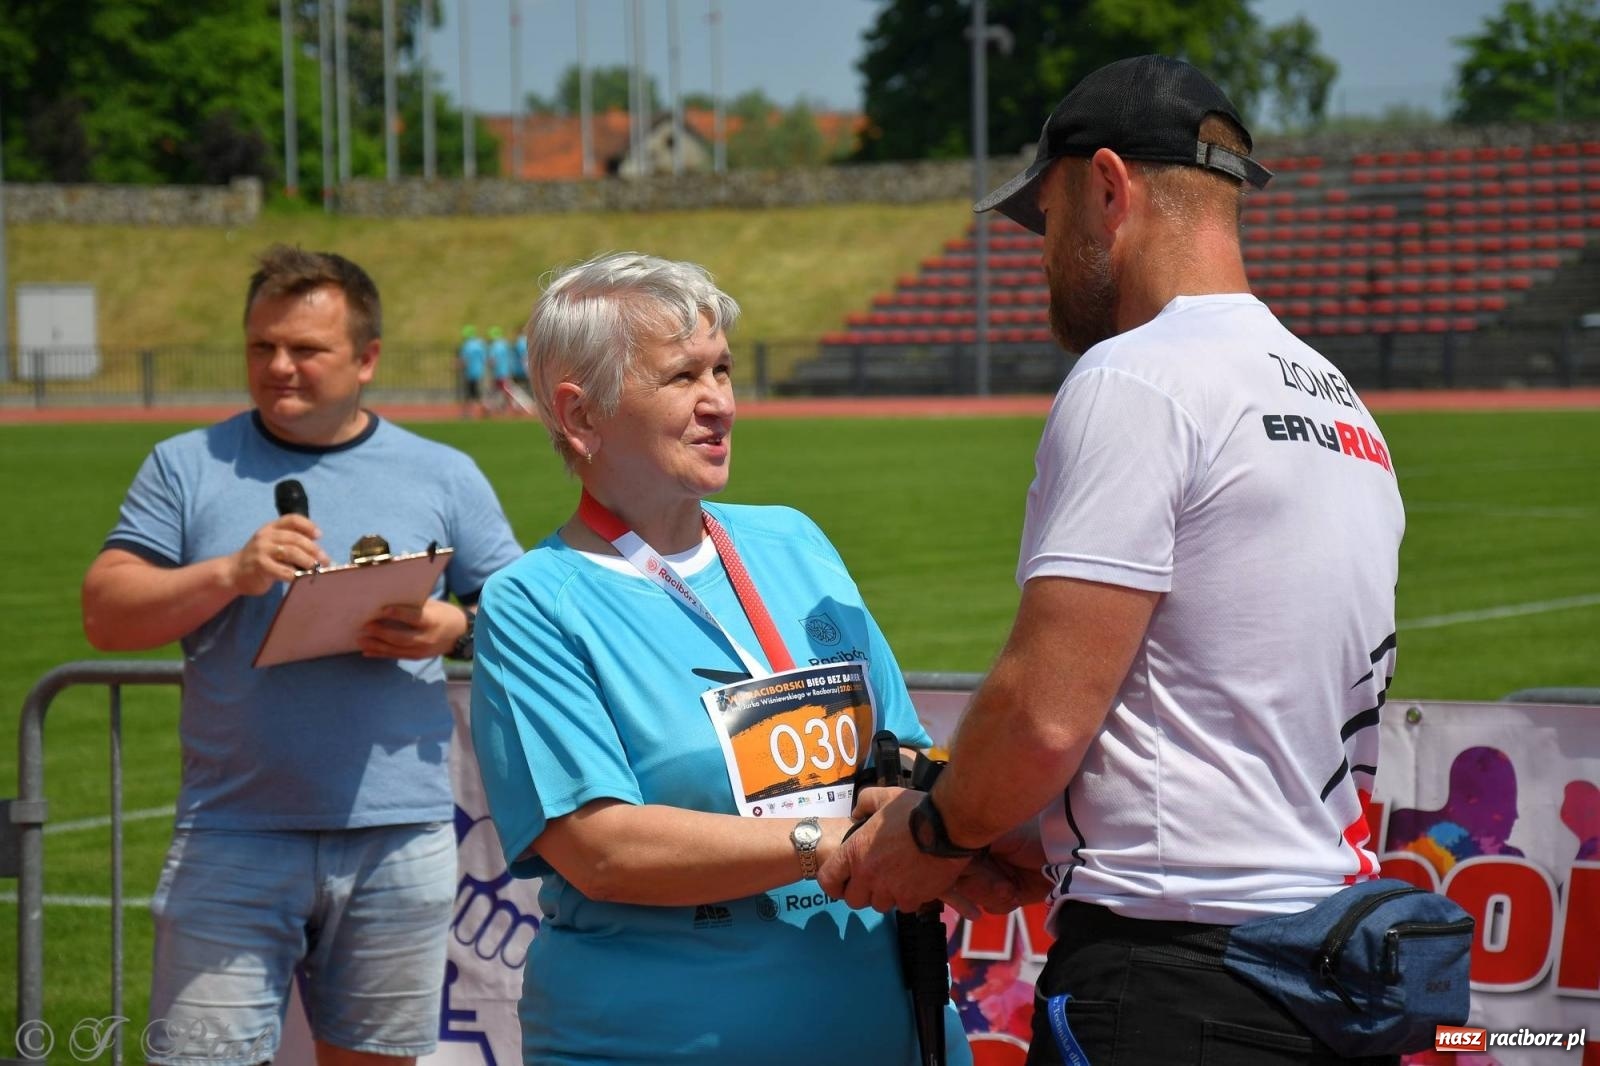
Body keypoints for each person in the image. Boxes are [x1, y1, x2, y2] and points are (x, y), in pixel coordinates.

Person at [820, 55, 1406, 1066]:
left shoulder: (1137, 375)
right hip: (1319, 962)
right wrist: (1020, 830)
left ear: (1105, 187)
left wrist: (930, 836)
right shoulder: (1337, 400)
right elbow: (1223, 712)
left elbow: (1043, 712)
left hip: (1175, 982)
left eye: (1045, 221)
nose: (1041, 255)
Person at [468, 251, 971, 1066]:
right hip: (662, 1043)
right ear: (580, 414)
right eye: (681, 378)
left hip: (885, 1031)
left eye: (724, 370)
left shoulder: (793, 540)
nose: (720, 404)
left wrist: (952, 831)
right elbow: (604, 851)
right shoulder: (536, 602)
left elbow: (901, 757)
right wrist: (831, 837)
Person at [81, 245, 523, 1066]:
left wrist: (451, 629)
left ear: (367, 360)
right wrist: (227, 573)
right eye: (261, 347)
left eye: (305, 350)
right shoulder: (184, 465)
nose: (279, 367)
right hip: (234, 832)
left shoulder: (444, 472)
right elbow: (106, 614)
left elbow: (523, 613)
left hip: (402, 834)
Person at [459, 323, 489, 418]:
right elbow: (485, 359)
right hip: (480, 371)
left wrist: (458, 365)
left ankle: (468, 413)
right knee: (477, 393)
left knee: (470, 394)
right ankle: (485, 408)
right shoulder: (480, 345)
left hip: (470, 372)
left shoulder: (466, 346)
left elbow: (464, 360)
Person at [486, 325, 515, 415]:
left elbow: (492, 360)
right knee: (501, 389)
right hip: (506, 370)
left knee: (502, 390)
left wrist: (488, 365)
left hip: (498, 372)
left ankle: (509, 407)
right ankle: (502, 407)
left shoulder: (494, 346)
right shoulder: (505, 344)